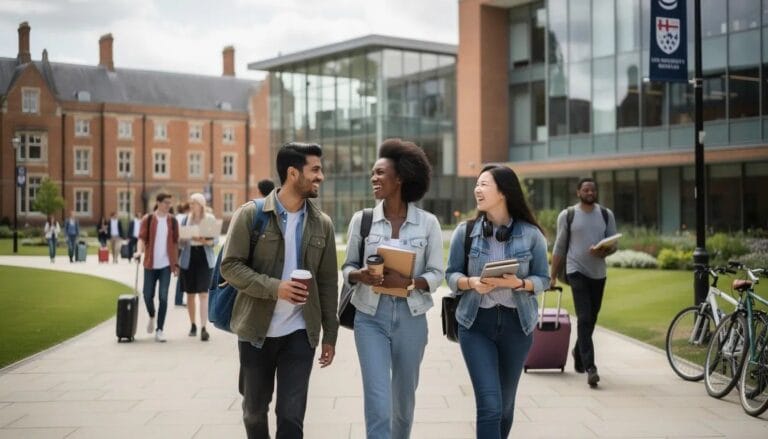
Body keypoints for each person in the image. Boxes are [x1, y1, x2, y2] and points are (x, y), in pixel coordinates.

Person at [221, 142, 338, 439]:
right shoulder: (251, 215)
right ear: (292, 173)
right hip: (255, 333)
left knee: (291, 417)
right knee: (254, 411)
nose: (320, 176)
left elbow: (327, 283)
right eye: (315, 170)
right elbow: (230, 266)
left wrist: (330, 335)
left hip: (300, 334)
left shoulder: (322, 224)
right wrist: (276, 289)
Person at [342, 138, 444, 439]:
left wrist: (410, 282)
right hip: (370, 317)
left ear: (399, 178)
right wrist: (360, 275)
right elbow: (346, 267)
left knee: (403, 401)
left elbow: (438, 274)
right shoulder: (363, 221)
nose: (373, 178)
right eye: (372, 173)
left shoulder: (428, 224)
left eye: (380, 173)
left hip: (411, 319)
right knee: (377, 399)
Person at [445, 164, 549, 438]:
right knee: (490, 405)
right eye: (476, 184)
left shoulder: (531, 235)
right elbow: (451, 275)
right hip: (476, 324)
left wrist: (519, 284)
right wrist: (472, 283)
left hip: (517, 326)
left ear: (502, 192)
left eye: (484, 184)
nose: (477, 189)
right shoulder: (464, 232)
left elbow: (544, 279)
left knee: (504, 407)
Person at [550, 177, 617, 388]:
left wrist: (604, 249)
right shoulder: (568, 215)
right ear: (578, 192)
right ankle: (591, 368)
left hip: (598, 273)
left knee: (591, 319)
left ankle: (578, 353)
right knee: (585, 317)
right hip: (575, 270)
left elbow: (614, 244)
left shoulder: (606, 215)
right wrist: (552, 276)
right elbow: (560, 247)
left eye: (593, 190)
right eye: (586, 190)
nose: (590, 192)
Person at [134, 193, 180, 343]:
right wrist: (139, 252)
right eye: (166, 203)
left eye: (170, 203)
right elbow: (141, 238)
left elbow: (175, 243)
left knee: (163, 297)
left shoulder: (172, 221)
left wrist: (176, 263)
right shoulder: (148, 220)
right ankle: (152, 316)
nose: (168, 205)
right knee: (147, 295)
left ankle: (160, 329)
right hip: (150, 264)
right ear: (158, 203)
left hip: (166, 265)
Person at [178, 193, 217, 341]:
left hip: (204, 258)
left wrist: (203, 239)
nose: (191, 205)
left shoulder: (210, 219)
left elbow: (215, 242)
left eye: (194, 203)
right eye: (191, 203)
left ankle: (203, 327)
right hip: (189, 258)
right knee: (190, 294)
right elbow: (180, 243)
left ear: (200, 204)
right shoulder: (185, 220)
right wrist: (185, 238)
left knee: (203, 294)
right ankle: (193, 325)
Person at [174, 202, 190, 306]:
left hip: (178, 246)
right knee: (182, 275)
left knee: (181, 275)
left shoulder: (177, 217)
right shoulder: (185, 218)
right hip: (183, 247)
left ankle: (178, 299)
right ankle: (179, 299)